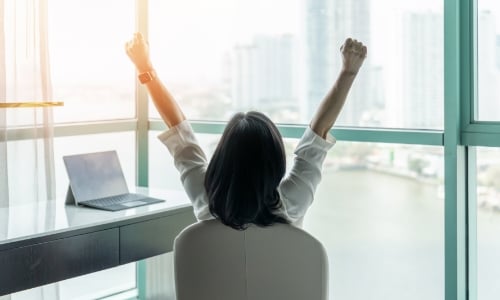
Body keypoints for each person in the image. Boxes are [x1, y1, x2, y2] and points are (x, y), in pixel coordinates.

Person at [125, 32, 366, 229]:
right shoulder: (293, 201)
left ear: (222, 156)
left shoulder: (204, 196)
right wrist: (348, 73)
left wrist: (144, 67)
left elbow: (177, 127)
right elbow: (317, 133)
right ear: (274, 161)